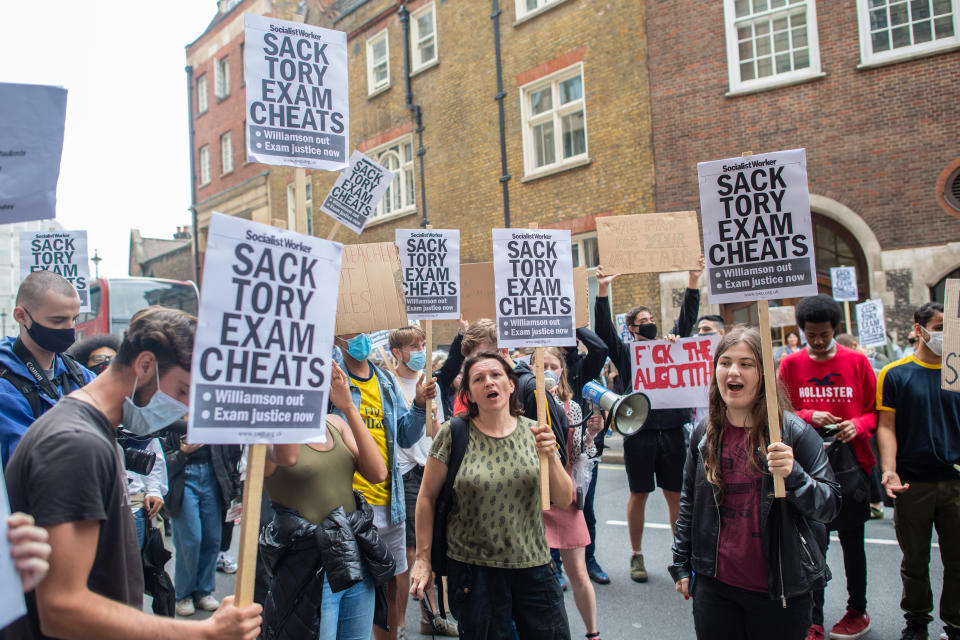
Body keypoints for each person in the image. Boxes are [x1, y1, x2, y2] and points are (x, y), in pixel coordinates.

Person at [2, 306, 261, 640]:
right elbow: (61, 608)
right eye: (182, 391)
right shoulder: (76, 444)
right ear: (145, 365)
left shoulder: (95, 431)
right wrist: (205, 633)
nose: (184, 407)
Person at [670, 326, 841, 640]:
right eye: (726, 362)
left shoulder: (793, 433)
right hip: (715, 589)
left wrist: (795, 476)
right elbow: (690, 503)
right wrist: (681, 564)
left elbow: (829, 507)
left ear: (763, 375)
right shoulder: (703, 432)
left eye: (746, 364)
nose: (734, 371)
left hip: (780, 591)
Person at [410, 351, 573, 639]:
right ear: (469, 394)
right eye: (478, 379)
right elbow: (426, 498)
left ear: (511, 385)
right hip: (475, 574)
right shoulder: (453, 433)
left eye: (496, 375)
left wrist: (552, 455)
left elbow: (563, 498)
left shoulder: (537, 431)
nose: (489, 383)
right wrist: (422, 559)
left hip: (534, 565)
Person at [259, 361, 393, 640]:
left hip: (353, 555)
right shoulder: (269, 433)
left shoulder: (335, 424)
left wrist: (349, 407)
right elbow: (288, 457)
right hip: (309, 568)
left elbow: (378, 472)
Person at [592, 258, 702, 582]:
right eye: (643, 320)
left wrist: (693, 280)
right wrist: (602, 289)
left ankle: (680, 554)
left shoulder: (669, 347)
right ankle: (636, 555)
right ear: (632, 327)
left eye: (652, 318)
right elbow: (604, 332)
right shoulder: (625, 353)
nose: (650, 323)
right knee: (639, 494)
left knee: (675, 495)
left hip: (670, 431)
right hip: (639, 432)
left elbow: (688, 320)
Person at [778, 294, 878, 640]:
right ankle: (813, 619)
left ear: (836, 328)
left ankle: (856, 611)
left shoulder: (857, 362)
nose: (818, 342)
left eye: (824, 334)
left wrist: (858, 426)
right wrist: (809, 416)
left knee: (853, 543)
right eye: (811, 335)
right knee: (812, 545)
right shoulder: (790, 365)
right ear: (801, 331)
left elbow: (873, 412)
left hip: (851, 466)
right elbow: (782, 411)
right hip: (807, 467)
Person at [331, 331, 431, 640]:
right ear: (337, 337)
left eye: (365, 330)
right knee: (353, 587)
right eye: (352, 332)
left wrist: (417, 405)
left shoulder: (385, 381)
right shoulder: (333, 381)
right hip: (348, 504)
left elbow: (404, 435)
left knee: (392, 579)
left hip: (390, 501)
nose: (360, 337)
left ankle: (392, 632)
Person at [876, 302, 960, 640]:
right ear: (919, 328)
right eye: (938, 326)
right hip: (913, 483)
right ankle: (916, 620)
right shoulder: (895, 373)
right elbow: (887, 426)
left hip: (955, 481)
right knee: (915, 560)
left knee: (958, 561)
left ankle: (955, 623)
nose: (943, 333)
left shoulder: (957, 371)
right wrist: (890, 470)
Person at [388, 325, 458, 637]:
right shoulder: (389, 384)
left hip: (431, 467)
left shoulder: (432, 384)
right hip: (405, 472)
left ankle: (431, 617)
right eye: (412, 347)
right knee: (411, 552)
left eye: (422, 345)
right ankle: (400, 621)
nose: (419, 351)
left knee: (432, 547)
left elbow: (439, 427)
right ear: (396, 352)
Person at [536, 347, 604, 639]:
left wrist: (591, 435)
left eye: (554, 365)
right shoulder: (521, 402)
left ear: (562, 371)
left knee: (577, 570)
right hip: (531, 494)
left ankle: (592, 632)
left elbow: (578, 456)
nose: (549, 370)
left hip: (562, 493)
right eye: (543, 365)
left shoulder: (571, 407)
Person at [0, 271, 96, 466]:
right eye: (57, 320)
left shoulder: (77, 374)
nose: (70, 328)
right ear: (21, 316)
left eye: (74, 319)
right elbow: (32, 461)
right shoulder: (5, 385)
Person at [458, 319, 570, 467]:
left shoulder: (532, 390)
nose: (478, 367)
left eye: (485, 358)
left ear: (504, 351)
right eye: (472, 362)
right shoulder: (480, 388)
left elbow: (556, 455)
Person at [162, 429, 241, 616]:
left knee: (213, 539)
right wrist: (182, 453)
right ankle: (183, 594)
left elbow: (231, 453)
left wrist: (236, 486)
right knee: (191, 540)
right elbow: (160, 459)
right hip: (184, 478)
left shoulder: (214, 413)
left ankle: (203, 591)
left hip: (213, 476)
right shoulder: (173, 415)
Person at [560, 329, 610, 585]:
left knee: (585, 508)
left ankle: (589, 560)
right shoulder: (540, 365)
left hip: (584, 449)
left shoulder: (583, 365)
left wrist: (574, 323)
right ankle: (555, 566)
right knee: (551, 509)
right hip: (555, 451)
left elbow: (600, 348)